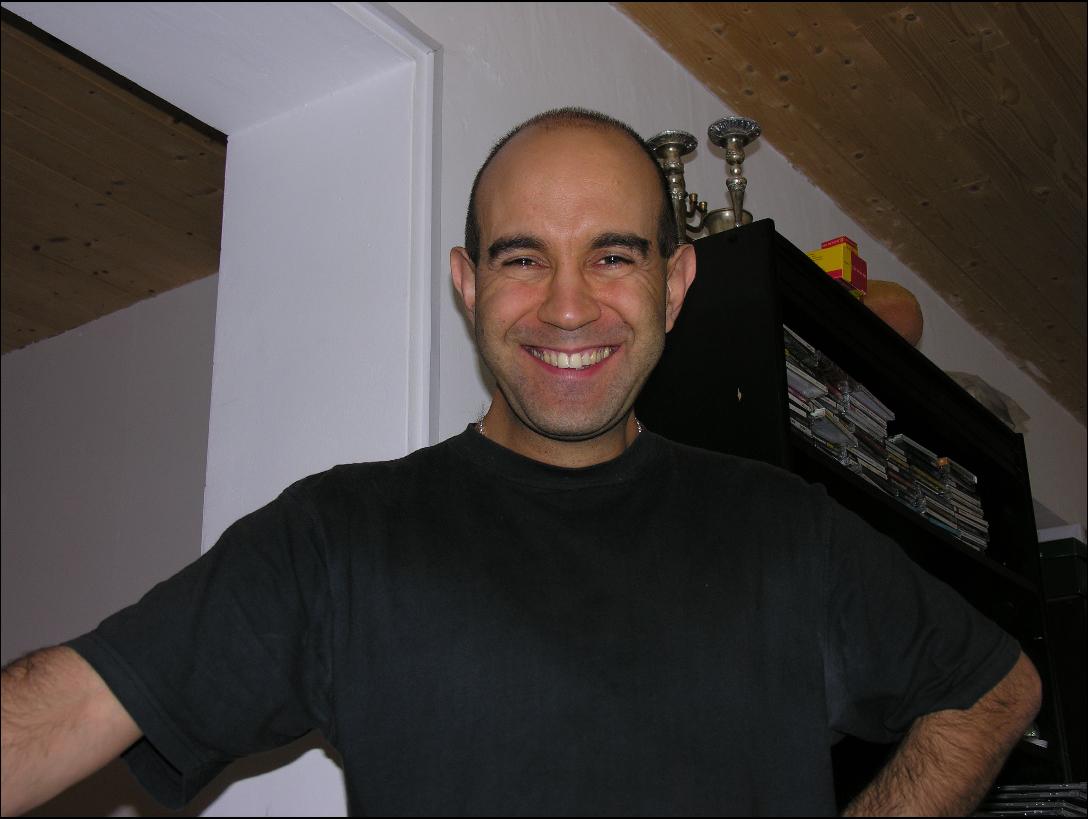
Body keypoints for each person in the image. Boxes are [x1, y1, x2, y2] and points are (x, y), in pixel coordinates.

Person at [1, 107, 1041, 817]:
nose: (567, 305)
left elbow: (993, 686)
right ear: (468, 285)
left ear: (675, 284)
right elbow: (71, 707)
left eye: (613, 255)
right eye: (522, 258)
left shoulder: (786, 530)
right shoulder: (341, 538)